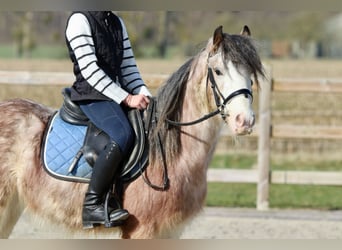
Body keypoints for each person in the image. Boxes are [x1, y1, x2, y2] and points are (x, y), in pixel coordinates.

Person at [65, 11, 151, 228]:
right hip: (90, 95)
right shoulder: (79, 20)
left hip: (114, 95)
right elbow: (90, 70)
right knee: (122, 134)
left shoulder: (116, 22)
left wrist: (145, 94)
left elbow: (128, 68)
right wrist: (128, 98)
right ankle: (92, 204)